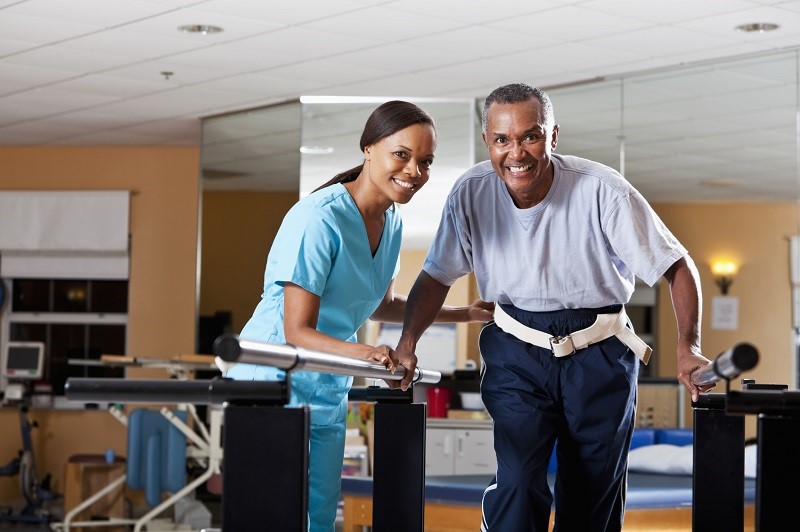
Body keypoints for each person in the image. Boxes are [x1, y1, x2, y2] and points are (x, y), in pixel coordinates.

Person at [392, 83, 716, 532]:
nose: (516, 153)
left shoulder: (601, 190)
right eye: (502, 140)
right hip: (516, 350)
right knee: (521, 480)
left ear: (553, 136)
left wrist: (688, 345)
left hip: (600, 353)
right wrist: (408, 343)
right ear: (487, 141)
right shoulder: (471, 193)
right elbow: (435, 277)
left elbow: (675, 266)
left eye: (531, 135)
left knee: (590, 493)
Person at [224, 100, 494, 532]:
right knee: (277, 517)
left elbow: (381, 302)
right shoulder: (318, 218)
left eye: (425, 162)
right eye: (401, 154)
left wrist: (467, 312)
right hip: (274, 384)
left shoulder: (392, 222)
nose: (415, 171)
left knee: (318, 517)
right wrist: (368, 352)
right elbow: (296, 330)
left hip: (325, 384)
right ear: (369, 148)